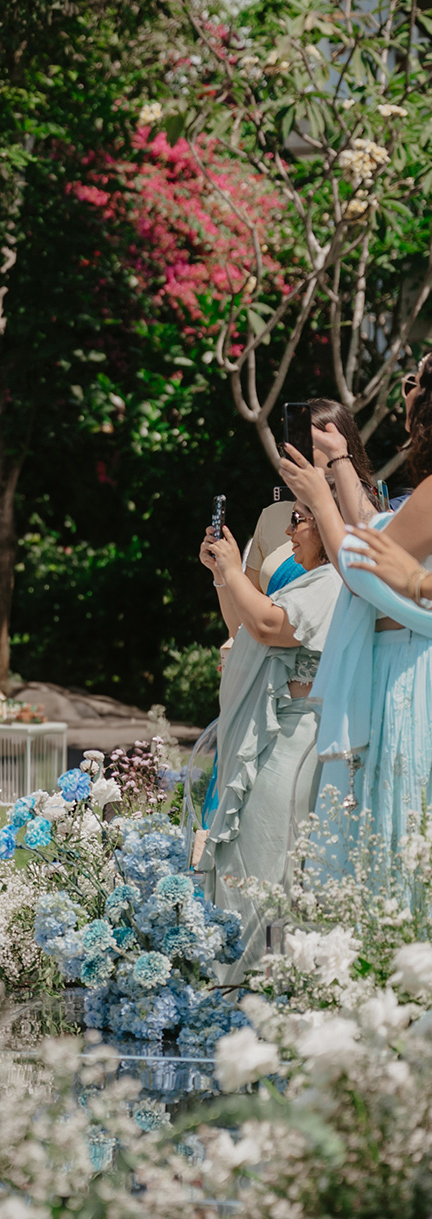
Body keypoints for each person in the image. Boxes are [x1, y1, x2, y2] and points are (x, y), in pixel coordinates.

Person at [280, 360, 432, 889]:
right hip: (397, 658)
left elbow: (363, 569)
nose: (404, 390)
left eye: (414, 381)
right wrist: (341, 459)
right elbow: (374, 535)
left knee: (394, 830)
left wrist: (320, 500)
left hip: (407, 666)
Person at [199, 504, 341, 973]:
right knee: (246, 861)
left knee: (262, 864)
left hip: (295, 742)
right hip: (269, 736)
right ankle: (237, 987)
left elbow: (267, 625)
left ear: (325, 521)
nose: (289, 530)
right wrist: (225, 578)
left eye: (299, 519)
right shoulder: (308, 580)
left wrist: (236, 567)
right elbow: (243, 630)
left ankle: (255, 987)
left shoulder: (334, 582)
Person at [243, 400, 377, 592]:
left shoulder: (368, 511)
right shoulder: (271, 516)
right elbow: (245, 618)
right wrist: (222, 576)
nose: (297, 454)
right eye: (290, 445)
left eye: (308, 444)